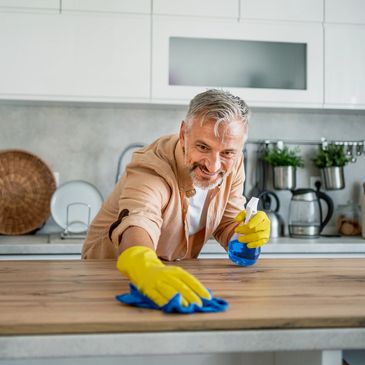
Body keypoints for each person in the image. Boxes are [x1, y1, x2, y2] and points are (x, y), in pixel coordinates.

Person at [82, 89, 270, 308]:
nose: (213, 165)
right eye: (203, 147)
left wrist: (245, 232)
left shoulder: (235, 162)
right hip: (110, 277)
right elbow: (139, 219)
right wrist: (144, 266)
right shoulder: (153, 166)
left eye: (227, 152)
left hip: (173, 276)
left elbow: (225, 222)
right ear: (183, 134)